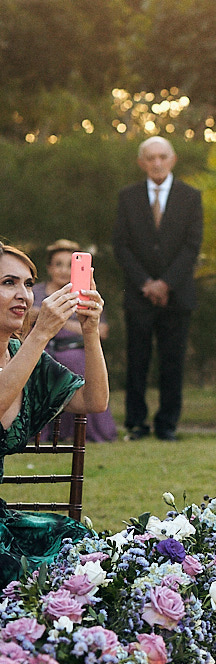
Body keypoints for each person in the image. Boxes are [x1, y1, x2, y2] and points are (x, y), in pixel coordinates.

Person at [0, 244, 108, 585]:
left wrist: (90, 331)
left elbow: (94, 400)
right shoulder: (30, 350)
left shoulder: (22, 355)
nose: (23, 295)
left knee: (84, 551)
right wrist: (41, 333)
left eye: (29, 284)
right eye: (8, 282)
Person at [112, 135, 202, 442]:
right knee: (137, 361)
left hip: (177, 296)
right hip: (138, 295)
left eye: (162, 156)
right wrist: (147, 284)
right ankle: (136, 423)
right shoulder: (128, 197)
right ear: (141, 163)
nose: (156, 163)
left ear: (173, 159)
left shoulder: (191, 197)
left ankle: (167, 425)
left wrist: (166, 284)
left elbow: (192, 247)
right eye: (150, 158)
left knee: (172, 362)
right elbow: (121, 246)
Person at [29, 240, 118, 442]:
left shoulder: (86, 294)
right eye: (58, 264)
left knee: (77, 364)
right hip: (42, 349)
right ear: (49, 268)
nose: (63, 270)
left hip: (73, 349)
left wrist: (61, 321)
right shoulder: (35, 293)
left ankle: (81, 431)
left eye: (70, 265)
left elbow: (102, 330)